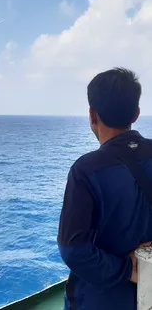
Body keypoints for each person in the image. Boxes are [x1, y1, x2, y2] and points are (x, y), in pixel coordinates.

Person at [57, 68, 152, 310]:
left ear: (92, 115)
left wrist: (128, 269)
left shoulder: (85, 170)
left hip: (101, 300)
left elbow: (73, 250)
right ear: (136, 113)